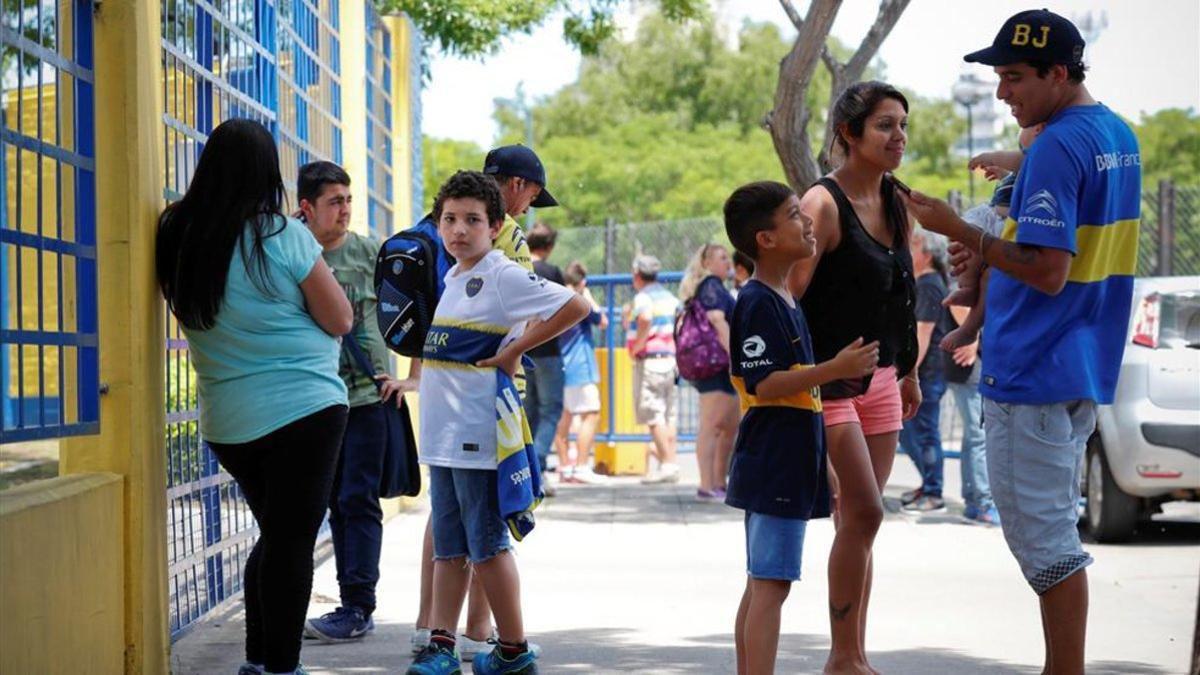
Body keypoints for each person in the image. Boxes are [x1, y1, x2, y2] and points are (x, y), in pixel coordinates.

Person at [903, 10, 1140, 673]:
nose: (1003, 92)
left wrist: (962, 229)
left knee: (1046, 544)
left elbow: (1047, 267)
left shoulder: (1060, 146)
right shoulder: (1114, 133)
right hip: (1078, 366)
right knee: (1052, 534)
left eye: (1013, 77)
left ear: (1057, 74)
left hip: (1035, 367)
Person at [155, 118, 353, 675]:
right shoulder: (281, 234)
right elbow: (339, 318)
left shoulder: (176, 233)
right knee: (291, 546)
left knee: (276, 538)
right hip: (305, 409)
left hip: (229, 419)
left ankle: (258, 663)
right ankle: (281, 669)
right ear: (268, 172)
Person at [407, 170, 588, 675]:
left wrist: (515, 349)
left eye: (472, 220)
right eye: (449, 219)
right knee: (449, 549)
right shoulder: (453, 278)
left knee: (486, 547)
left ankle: (513, 650)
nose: (458, 229)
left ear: (494, 227)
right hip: (443, 440)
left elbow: (576, 305)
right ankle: (442, 647)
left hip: (477, 439)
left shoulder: (501, 274)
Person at [786, 81, 920, 675]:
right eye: (886, 125)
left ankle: (855, 654)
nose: (899, 137)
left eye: (902, 125)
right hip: (830, 382)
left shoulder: (896, 199)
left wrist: (909, 369)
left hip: (885, 378)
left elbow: (902, 293)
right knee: (864, 513)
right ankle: (841, 658)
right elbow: (785, 298)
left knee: (859, 525)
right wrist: (801, 380)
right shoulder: (820, 203)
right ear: (849, 133)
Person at [722, 181, 880, 675]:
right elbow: (765, 382)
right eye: (794, 215)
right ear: (764, 239)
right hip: (774, 459)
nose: (808, 222)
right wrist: (835, 368)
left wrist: (824, 464)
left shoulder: (783, 297)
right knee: (771, 584)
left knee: (763, 581)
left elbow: (799, 395)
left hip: (792, 458)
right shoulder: (757, 302)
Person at [293, 162, 408, 643]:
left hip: (366, 397)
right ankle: (322, 602)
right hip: (310, 398)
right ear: (306, 208)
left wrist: (408, 376)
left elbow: (410, 310)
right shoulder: (288, 251)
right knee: (323, 505)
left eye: (348, 200)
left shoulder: (368, 251)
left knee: (357, 501)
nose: (344, 210)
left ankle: (358, 605)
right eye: (334, 202)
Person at [940, 122, 1045, 352]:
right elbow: (1020, 172)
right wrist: (1005, 175)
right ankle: (967, 286)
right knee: (964, 239)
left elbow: (1021, 160)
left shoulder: (1045, 158)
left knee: (990, 276)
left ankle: (971, 328)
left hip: (1010, 226)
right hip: (992, 214)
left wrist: (992, 156)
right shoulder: (1026, 168)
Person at [677, 243, 740, 501]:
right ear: (706, 263)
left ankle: (717, 482)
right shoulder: (712, 285)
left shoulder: (717, 287)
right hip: (716, 363)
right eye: (722, 258)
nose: (728, 263)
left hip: (720, 365)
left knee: (727, 426)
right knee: (713, 424)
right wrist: (735, 355)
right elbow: (717, 321)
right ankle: (707, 484)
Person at [898, 227, 954, 514]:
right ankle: (927, 482)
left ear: (927, 254)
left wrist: (908, 373)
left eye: (914, 245)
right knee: (909, 431)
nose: (908, 250)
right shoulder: (923, 282)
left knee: (924, 432)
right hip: (924, 372)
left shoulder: (930, 284)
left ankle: (934, 490)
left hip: (928, 373)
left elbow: (923, 333)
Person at [627, 254, 682, 484]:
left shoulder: (643, 298)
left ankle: (667, 465)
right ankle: (669, 461)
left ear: (637, 275)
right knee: (668, 415)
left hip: (650, 360)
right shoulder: (670, 298)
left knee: (653, 414)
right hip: (671, 360)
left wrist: (637, 345)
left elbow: (645, 318)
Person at [553, 261, 608, 483]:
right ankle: (582, 465)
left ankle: (566, 465)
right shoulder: (579, 300)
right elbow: (601, 320)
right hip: (579, 366)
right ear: (581, 281)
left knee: (563, 416)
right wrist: (587, 294)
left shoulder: (556, 298)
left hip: (561, 364)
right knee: (591, 413)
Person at [524, 223, 567, 489]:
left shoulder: (519, 268)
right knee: (551, 410)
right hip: (549, 351)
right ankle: (538, 463)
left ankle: (526, 468)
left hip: (523, 350)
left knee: (529, 412)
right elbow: (563, 308)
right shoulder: (552, 272)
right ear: (549, 246)